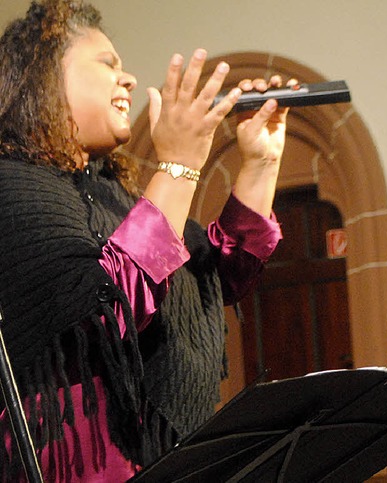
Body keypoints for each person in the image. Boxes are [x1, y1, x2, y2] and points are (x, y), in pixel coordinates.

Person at [0, 0, 294, 481]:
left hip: (164, 461)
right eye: (108, 64)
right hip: (79, 465)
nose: (130, 79)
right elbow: (108, 308)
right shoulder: (14, 189)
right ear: (46, 78)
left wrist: (261, 163)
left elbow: (217, 277)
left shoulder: (115, 196)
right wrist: (178, 165)